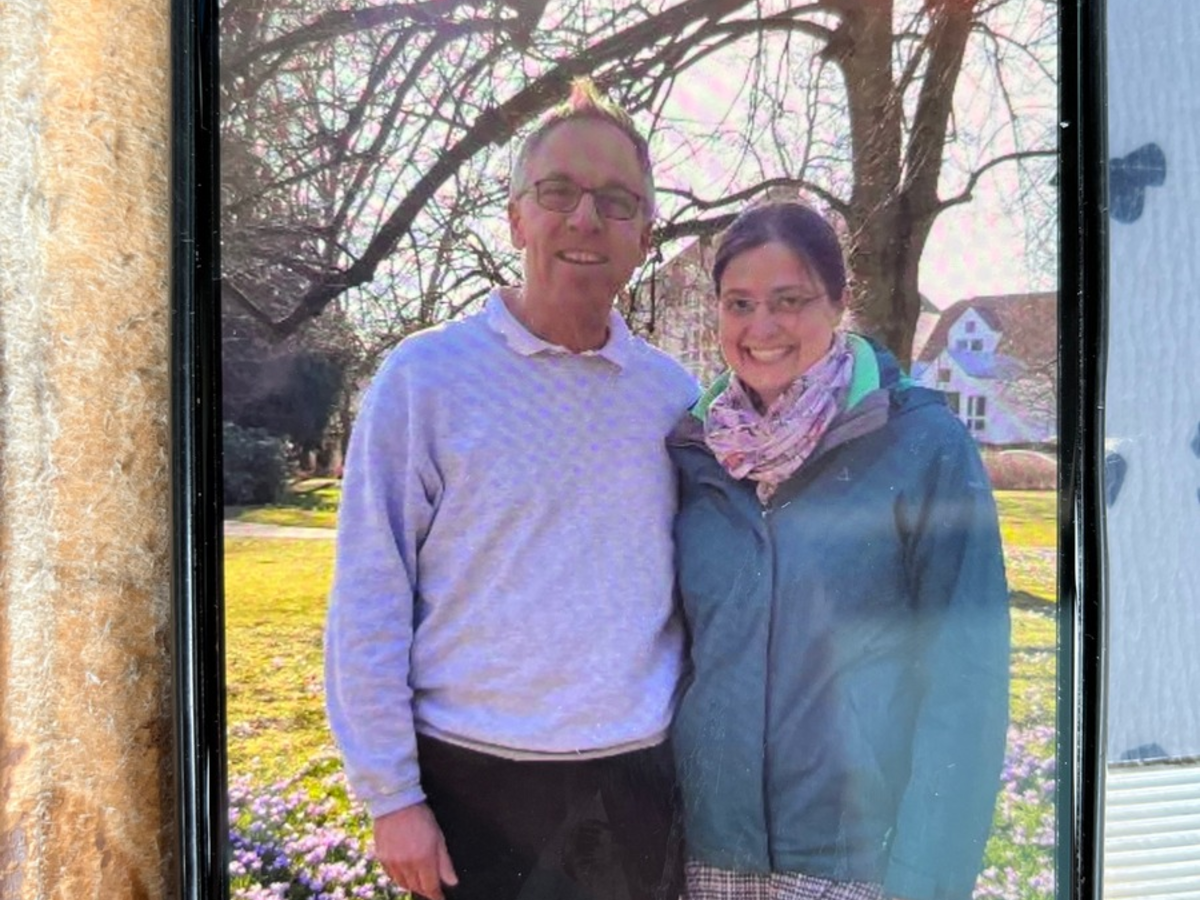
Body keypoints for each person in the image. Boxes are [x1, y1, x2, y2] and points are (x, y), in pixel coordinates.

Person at [324, 78, 697, 900]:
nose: (585, 218)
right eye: (557, 191)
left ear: (645, 235)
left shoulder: (675, 401)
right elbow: (368, 596)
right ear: (516, 217)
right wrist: (392, 797)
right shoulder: (424, 379)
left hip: (636, 789)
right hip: (471, 792)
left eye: (616, 201)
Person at [667, 202, 1010, 900]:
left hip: (856, 868)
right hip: (711, 861)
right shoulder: (695, 454)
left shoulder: (921, 446)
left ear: (839, 300)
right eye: (739, 303)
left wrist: (926, 883)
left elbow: (967, 687)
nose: (761, 327)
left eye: (789, 301)